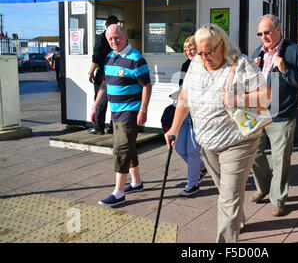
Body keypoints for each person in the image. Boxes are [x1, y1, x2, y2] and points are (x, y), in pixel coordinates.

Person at [164, 23, 270, 243]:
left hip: (239, 141)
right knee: (226, 190)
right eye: (200, 52)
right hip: (207, 141)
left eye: (209, 52)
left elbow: (266, 95)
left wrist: (237, 99)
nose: (204, 57)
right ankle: (237, 220)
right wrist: (174, 127)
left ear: (222, 44)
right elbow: (185, 97)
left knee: (229, 196)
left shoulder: (241, 64)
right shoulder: (196, 64)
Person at [250, 14, 298, 217]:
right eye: (260, 33)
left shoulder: (293, 51)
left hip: (282, 114)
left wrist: (285, 70)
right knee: (253, 154)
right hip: (257, 113)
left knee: (280, 160)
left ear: (278, 29)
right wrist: (251, 68)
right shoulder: (257, 52)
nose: (263, 37)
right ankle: (264, 187)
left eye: (267, 32)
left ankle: (277, 199)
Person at [90, 24, 151, 206]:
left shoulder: (136, 59)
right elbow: (104, 84)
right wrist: (95, 106)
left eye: (117, 37)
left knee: (121, 149)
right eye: (110, 39)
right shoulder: (109, 57)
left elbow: (146, 86)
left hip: (130, 112)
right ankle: (137, 182)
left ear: (124, 37)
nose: (114, 42)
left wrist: (143, 109)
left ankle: (118, 192)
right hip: (115, 113)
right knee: (128, 147)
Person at [174, 35, 207, 197]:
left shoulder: (205, 65)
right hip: (184, 112)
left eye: (191, 48)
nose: (188, 52)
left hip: (198, 114)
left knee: (192, 150)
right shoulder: (185, 65)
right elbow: (182, 89)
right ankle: (201, 167)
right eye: (186, 49)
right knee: (179, 147)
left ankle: (192, 184)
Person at [88, 15, 119, 135]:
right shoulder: (121, 38)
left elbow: (96, 57)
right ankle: (113, 127)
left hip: (103, 72)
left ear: (106, 24)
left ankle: (98, 127)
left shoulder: (102, 37)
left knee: (100, 99)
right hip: (117, 71)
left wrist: (91, 72)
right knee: (115, 100)